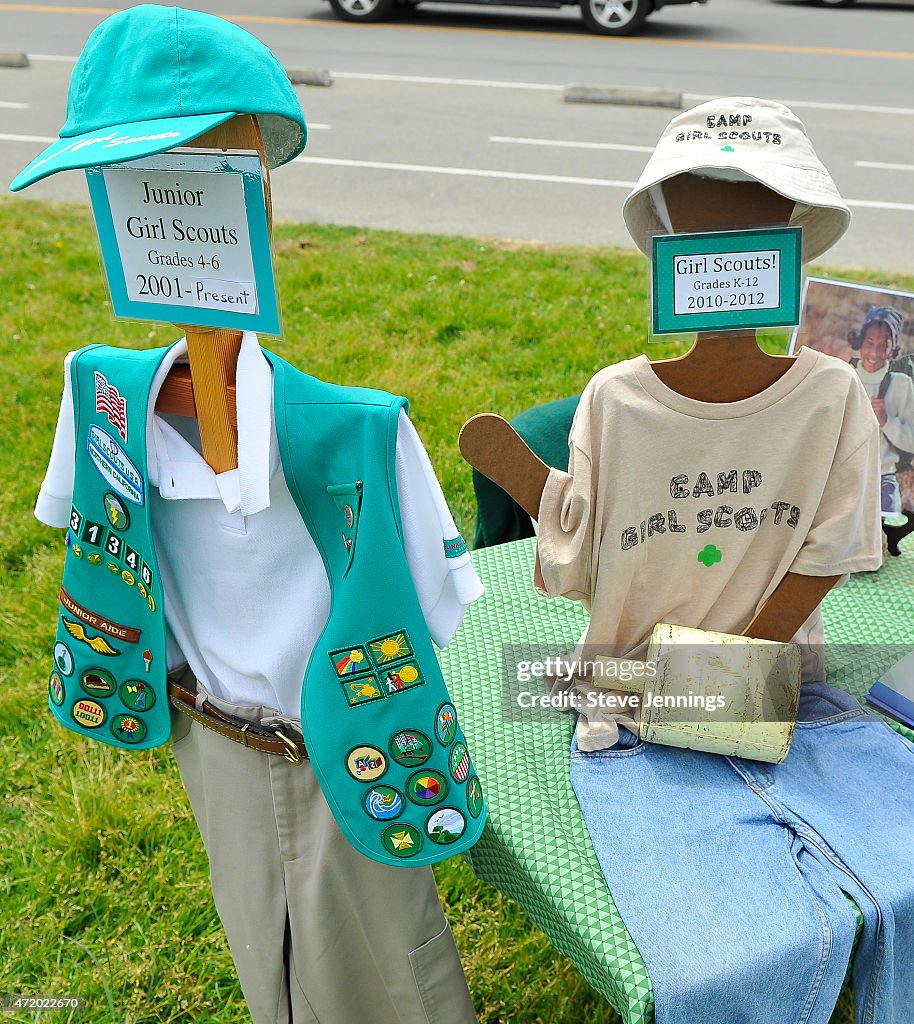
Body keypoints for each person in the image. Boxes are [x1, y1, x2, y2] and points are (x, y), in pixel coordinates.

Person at [13, 8, 481, 1024]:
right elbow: (92, 538)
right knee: (256, 945)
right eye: (133, 193)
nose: (160, 216)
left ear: (254, 196)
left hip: (346, 754)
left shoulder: (359, 436)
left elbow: (437, 614)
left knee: (393, 969)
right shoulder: (103, 402)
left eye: (192, 185)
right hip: (204, 734)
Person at [532, 99, 914, 1024]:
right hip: (659, 714)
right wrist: (725, 680)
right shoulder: (634, 401)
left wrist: (711, 681)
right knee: (720, 966)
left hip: (740, 700)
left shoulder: (821, 396)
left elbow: (573, 568)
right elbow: (828, 556)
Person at [848, 305, 914, 515]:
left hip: (883, 483)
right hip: (844, 479)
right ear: (860, 343)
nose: (875, 352)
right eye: (870, 343)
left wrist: (887, 421)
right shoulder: (844, 376)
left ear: (893, 350)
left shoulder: (901, 385)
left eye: (883, 346)